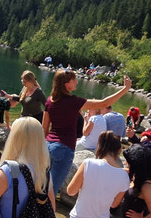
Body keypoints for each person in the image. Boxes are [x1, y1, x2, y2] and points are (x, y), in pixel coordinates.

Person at [42, 70, 132, 199]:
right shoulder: (73, 102)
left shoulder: (50, 101)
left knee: (42, 186)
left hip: (48, 146)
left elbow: (44, 129)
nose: (77, 82)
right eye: (74, 80)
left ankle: (35, 215)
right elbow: (104, 103)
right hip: (64, 148)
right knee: (52, 190)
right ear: (67, 85)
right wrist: (125, 89)